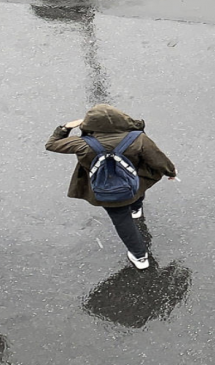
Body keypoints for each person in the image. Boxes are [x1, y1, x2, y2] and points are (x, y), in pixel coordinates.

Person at [46, 104, 177, 270]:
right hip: (132, 183)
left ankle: (140, 256)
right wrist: (170, 171)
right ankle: (136, 209)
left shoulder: (81, 144)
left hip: (105, 190)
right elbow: (157, 158)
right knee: (138, 189)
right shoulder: (137, 138)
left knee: (122, 221)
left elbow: (51, 144)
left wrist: (65, 128)